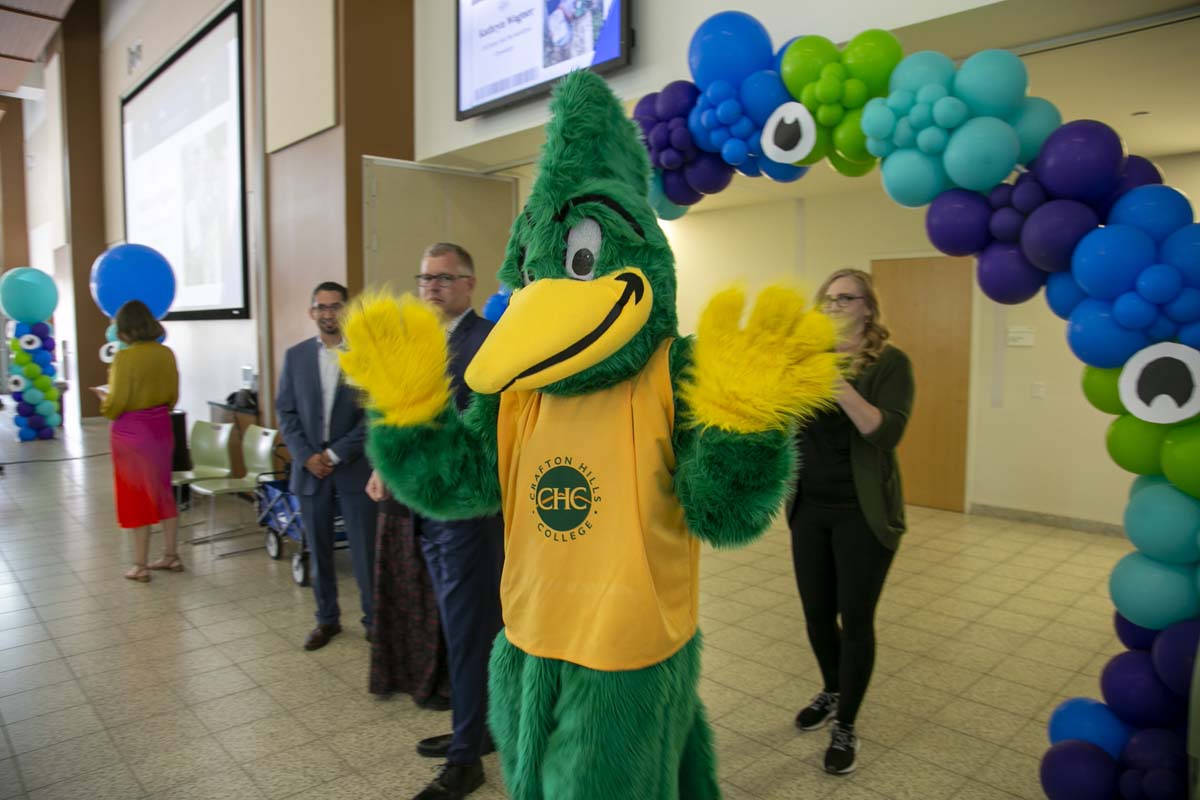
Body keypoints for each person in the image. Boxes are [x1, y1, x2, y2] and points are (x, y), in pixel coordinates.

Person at [789, 268, 915, 776]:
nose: (835, 306)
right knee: (817, 615)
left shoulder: (891, 363)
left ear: (868, 307)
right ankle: (832, 688)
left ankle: (847, 723)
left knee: (855, 620)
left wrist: (835, 384)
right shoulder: (807, 358)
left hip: (864, 514)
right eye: (828, 299)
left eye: (847, 298)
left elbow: (885, 433)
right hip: (809, 510)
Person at [406, 243, 504, 800]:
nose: (433, 287)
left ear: (470, 284)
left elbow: (481, 430)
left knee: (469, 634)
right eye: (426, 278)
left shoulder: (486, 341)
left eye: (445, 278)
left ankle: (467, 761)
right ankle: (478, 728)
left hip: (468, 513)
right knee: (460, 630)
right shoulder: (426, 342)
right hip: (431, 508)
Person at [276, 281, 377, 651]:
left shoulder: (366, 356)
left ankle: (373, 620)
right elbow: (286, 411)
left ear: (346, 311)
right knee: (318, 550)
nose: (328, 313)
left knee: (364, 552)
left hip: (352, 470)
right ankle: (326, 620)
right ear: (311, 312)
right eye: (321, 307)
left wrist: (334, 455)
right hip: (309, 471)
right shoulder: (296, 356)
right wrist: (306, 455)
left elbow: (372, 417)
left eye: (335, 306)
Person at [92, 300, 183, 582]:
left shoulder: (125, 358)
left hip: (131, 433)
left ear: (125, 328)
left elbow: (117, 402)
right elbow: (172, 395)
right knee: (163, 491)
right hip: (161, 429)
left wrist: (103, 400)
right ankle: (171, 555)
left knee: (136, 495)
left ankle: (140, 565)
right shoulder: (166, 353)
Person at [365, 468, 451, 709]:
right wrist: (380, 465)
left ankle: (439, 678)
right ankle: (405, 674)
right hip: (398, 483)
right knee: (402, 576)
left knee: (431, 585)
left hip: (436, 481)